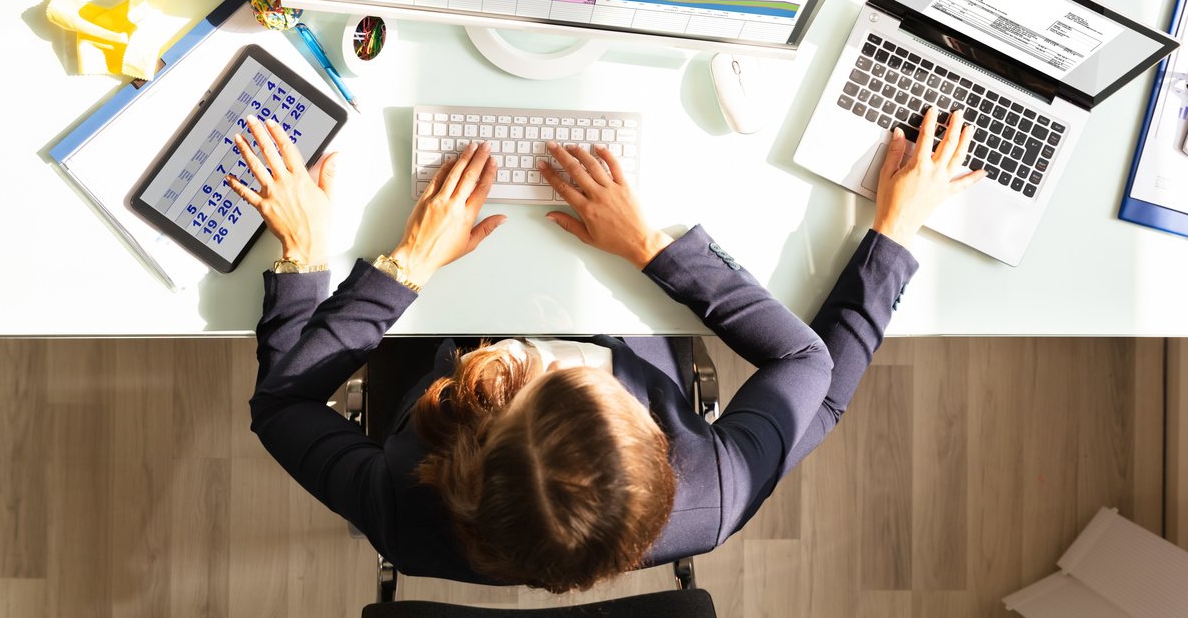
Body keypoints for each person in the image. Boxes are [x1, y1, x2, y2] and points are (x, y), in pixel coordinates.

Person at [229, 106, 983, 592]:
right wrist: (655, 250)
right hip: (629, 289)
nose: (557, 352)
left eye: (535, 376)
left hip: (441, 316)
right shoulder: (709, 495)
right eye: (579, 380)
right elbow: (817, 375)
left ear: (461, 444)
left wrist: (365, 259)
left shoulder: (400, 504)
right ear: (662, 449)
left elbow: (280, 401)